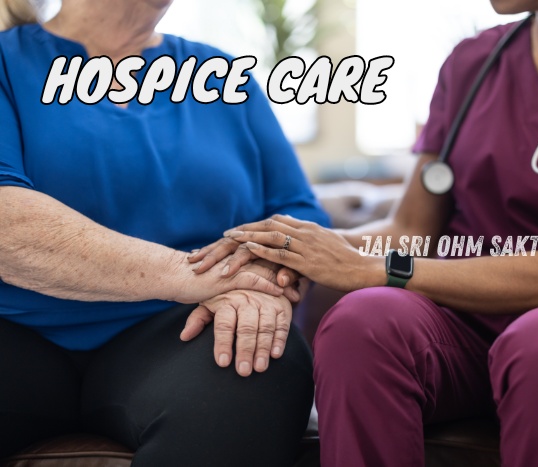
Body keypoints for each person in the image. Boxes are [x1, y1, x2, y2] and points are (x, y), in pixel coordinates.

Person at [194, 0, 538, 465]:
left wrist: (375, 269)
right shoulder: (473, 61)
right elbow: (412, 228)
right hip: (462, 328)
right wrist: (293, 245)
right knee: (362, 321)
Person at [0, 0, 329, 465]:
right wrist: (196, 274)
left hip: (180, 330)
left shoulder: (223, 75)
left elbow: (298, 214)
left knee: (258, 361)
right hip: (17, 331)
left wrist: (259, 277)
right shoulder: (6, 63)